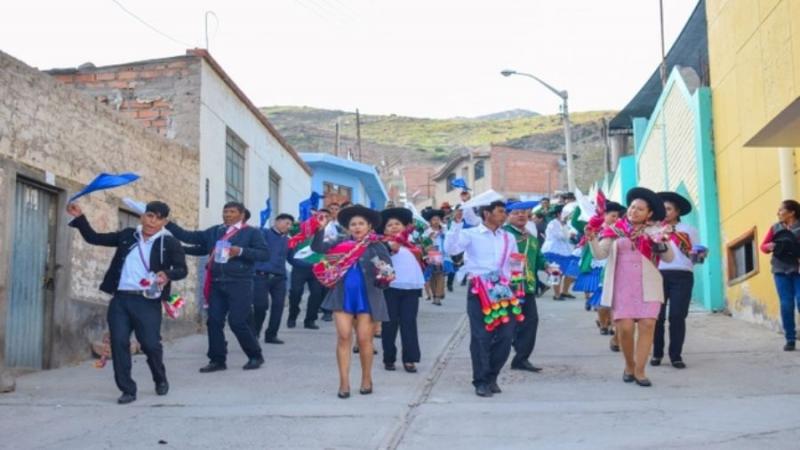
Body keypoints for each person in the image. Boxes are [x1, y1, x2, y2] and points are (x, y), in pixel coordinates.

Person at [66, 201, 187, 404]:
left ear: (164, 222)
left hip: (148, 300)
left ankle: (160, 378)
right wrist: (79, 217)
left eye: (158, 218)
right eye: (149, 215)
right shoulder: (127, 235)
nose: (152, 221)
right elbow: (94, 238)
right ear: (143, 216)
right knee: (119, 343)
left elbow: (182, 270)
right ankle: (127, 389)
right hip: (121, 299)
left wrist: (166, 274)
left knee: (150, 344)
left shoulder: (169, 242)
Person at [586, 187, 675, 387]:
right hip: (622, 285)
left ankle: (640, 371)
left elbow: (669, 258)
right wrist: (592, 238)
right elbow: (600, 255)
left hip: (649, 284)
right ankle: (629, 364)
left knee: (648, 325)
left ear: (649, 214)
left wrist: (659, 243)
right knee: (625, 329)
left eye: (640, 209)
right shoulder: (615, 229)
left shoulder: (655, 231)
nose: (634, 211)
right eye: (633, 207)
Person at [167, 201, 268, 373]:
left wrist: (241, 251)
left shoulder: (251, 232)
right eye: (225, 211)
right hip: (216, 282)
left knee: (237, 322)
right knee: (213, 322)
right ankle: (217, 360)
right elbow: (190, 238)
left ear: (242, 215)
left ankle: (255, 355)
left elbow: (264, 254)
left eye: (232, 212)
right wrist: (168, 225)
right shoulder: (216, 231)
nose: (227, 215)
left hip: (240, 283)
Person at [312, 205, 393, 398]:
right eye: (353, 224)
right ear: (348, 228)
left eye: (361, 224)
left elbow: (388, 271)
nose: (357, 227)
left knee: (365, 340)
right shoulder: (339, 242)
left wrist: (383, 272)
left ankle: (366, 378)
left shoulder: (377, 245)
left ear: (369, 226)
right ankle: (344, 382)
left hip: (368, 297)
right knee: (344, 336)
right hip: (342, 296)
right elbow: (317, 248)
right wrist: (320, 228)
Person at [445, 200, 516, 397]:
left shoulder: (508, 237)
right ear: (487, 213)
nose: (504, 215)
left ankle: (493, 374)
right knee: (481, 336)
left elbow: (515, 261)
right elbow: (451, 249)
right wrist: (456, 224)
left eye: (505, 212)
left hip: (503, 289)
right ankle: (481, 380)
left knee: (506, 334)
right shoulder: (470, 234)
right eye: (501, 211)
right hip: (479, 289)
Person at [652, 192, 701, 368]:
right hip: (658, 274)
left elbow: (696, 256)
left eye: (669, 209)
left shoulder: (688, 230)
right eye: (663, 209)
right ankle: (657, 353)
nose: (665, 212)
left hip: (682, 275)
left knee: (677, 316)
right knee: (657, 317)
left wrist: (700, 255)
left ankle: (676, 355)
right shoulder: (654, 229)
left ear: (677, 211)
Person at [379, 207, 424, 373]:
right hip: (390, 288)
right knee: (389, 324)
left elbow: (420, 262)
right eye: (389, 225)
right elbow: (378, 262)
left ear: (405, 227)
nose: (394, 227)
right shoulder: (381, 244)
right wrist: (388, 277)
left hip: (411, 288)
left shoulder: (411, 245)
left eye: (397, 224)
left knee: (409, 323)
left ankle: (410, 359)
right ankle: (389, 358)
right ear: (384, 229)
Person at [504, 201, 547, 373]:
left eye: (524, 213)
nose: (521, 215)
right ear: (507, 216)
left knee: (531, 321)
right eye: (516, 213)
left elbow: (539, 258)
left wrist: (547, 266)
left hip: (527, 286)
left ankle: (521, 358)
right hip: (508, 286)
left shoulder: (531, 237)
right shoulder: (504, 235)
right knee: (507, 323)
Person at [760, 199, 800, 351]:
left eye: (781, 210)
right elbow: (763, 246)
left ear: (791, 212)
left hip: (798, 270)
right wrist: (768, 246)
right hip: (780, 270)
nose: (778, 213)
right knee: (786, 304)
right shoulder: (775, 228)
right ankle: (790, 339)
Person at [252, 213, 293, 344]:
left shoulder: (288, 240)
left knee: (279, 306)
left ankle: (271, 334)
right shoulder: (263, 234)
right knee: (260, 306)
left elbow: (292, 258)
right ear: (277, 222)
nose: (288, 226)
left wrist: (313, 263)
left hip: (280, 278)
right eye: (286, 223)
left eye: (290, 225)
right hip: (261, 275)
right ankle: (254, 333)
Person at [287, 209, 328, 331]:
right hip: (299, 267)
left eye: (324, 217)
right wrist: (300, 221)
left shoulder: (325, 231)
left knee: (316, 294)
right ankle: (292, 316)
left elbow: (322, 248)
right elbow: (290, 228)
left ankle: (310, 320)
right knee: (295, 293)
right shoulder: (299, 229)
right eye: (317, 217)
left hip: (316, 267)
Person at [542, 205, 578, 300]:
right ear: (559, 214)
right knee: (556, 272)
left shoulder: (566, 223)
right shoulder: (553, 224)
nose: (568, 217)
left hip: (566, 251)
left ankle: (565, 291)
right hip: (554, 251)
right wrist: (569, 233)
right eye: (567, 215)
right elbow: (560, 236)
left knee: (569, 272)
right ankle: (557, 294)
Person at [422, 208, 453, 305]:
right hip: (433, 253)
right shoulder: (427, 231)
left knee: (441, 274)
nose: (436, 221)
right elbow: (423, 243)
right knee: (433, 275)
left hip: (444, 254)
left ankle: (438, 296)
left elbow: (450, 238)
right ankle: (436, 294)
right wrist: (430, 238)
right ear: (430, 221)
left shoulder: (444, 229)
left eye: (438, 219)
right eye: (434, 219)